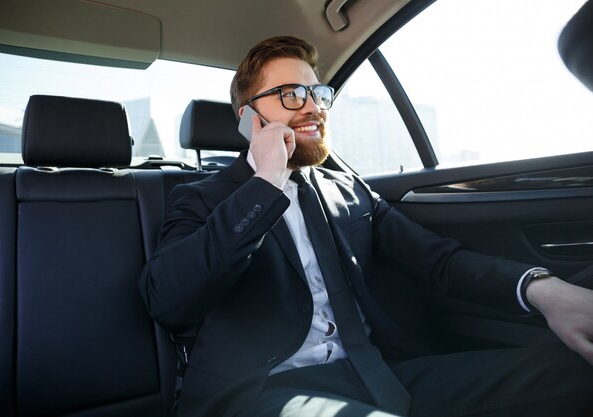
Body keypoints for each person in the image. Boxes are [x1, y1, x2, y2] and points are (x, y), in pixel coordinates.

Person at [139, 36, 593, 417]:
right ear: (247, 116)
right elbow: (169, 299)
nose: (313, 106)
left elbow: (438, 261)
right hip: (261, 391)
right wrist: (264, 185)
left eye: (318, 94)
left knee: (575, 372)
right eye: (293, 95)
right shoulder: (203, 197)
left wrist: (543, 289)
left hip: (378, 370)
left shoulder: (350, 190)